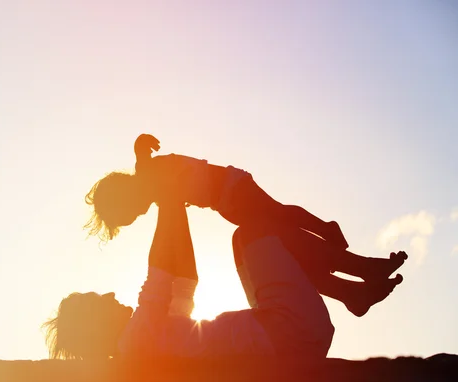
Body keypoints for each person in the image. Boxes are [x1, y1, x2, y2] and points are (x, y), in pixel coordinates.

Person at [44, 201, 405, 360]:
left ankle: (351, 295)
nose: (108, 293)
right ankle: (358, 275)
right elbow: (161, 273)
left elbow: (183, 278)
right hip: (291, 330)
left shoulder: (151, 338)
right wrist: (168, 197)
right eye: (98, 300)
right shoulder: (135, 342)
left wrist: (174, 205)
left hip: (291, 335)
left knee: (243, 242)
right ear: (95, 325)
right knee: (254, 230)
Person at [84, 134, 407, 283]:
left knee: (280, 222)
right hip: (227, 201)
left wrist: (142, 143)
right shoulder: (153, 189)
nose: (140, 215)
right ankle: (349, 265)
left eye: (131, 214)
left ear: (124, 195)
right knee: (281, 233)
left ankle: (328, 232)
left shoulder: (146, 174)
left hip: (230, 187)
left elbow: (141, 151)